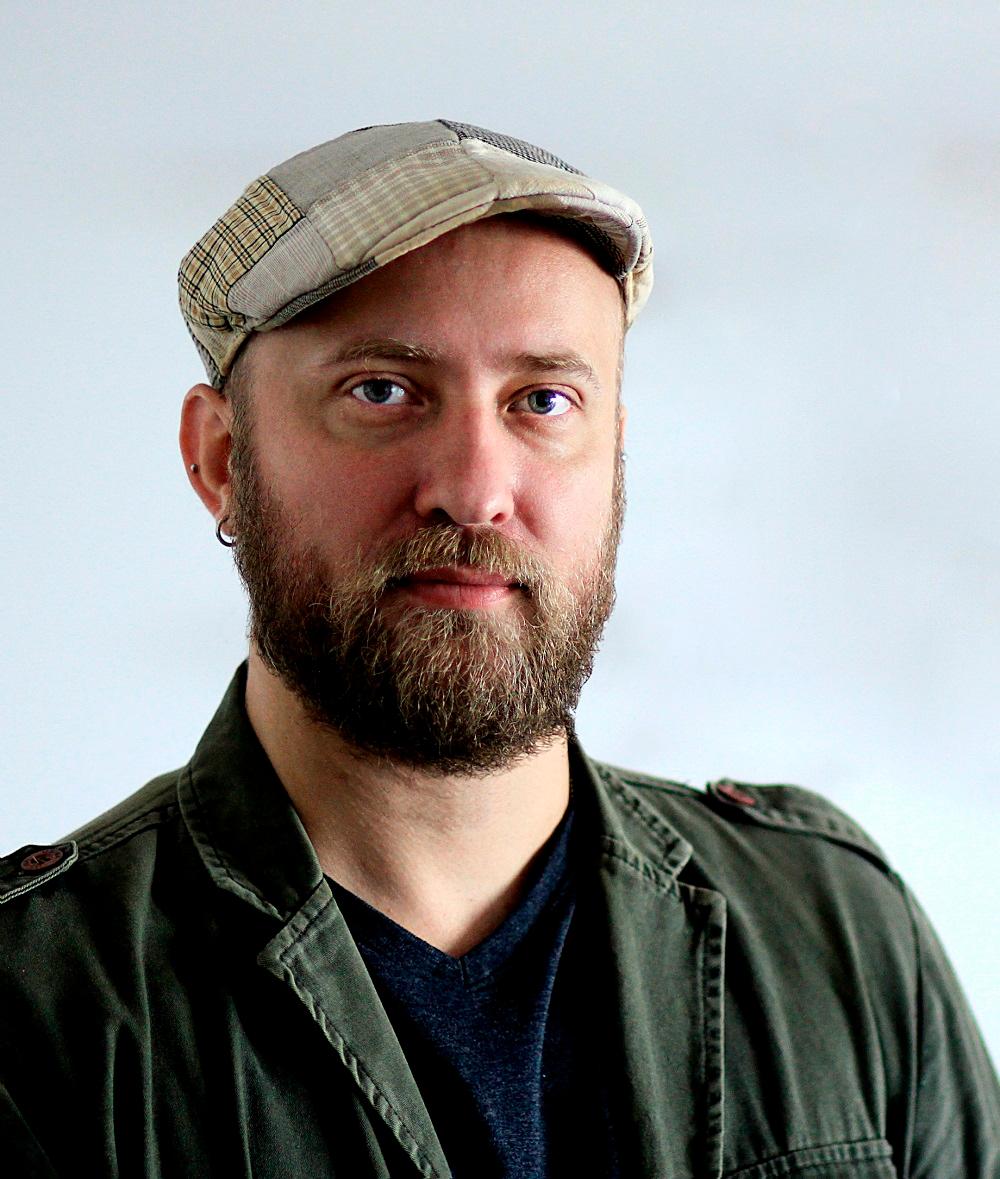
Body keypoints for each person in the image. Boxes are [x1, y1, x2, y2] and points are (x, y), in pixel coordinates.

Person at [1, 119, 996, 1178]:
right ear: (220, 459)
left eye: (543, 401)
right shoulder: (37, 1011)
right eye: (382, 391)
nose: (475, 490)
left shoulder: (836, 933)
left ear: (613, 458)